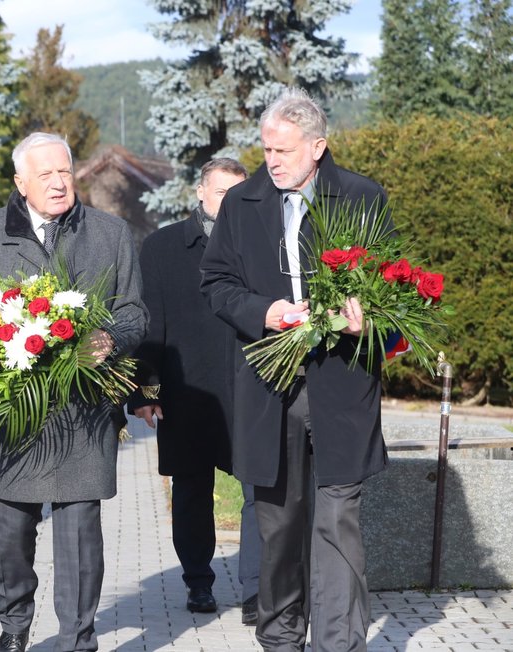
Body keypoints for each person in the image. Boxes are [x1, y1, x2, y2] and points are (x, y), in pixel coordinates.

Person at [199, 88, 390, 651]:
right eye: (266, 149)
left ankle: (339, 643)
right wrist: (265, 311)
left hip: (341, 385)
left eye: (283, 150)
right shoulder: (243, 203)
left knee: (337, 524)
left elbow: (391, 285)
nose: (272, 160)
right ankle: (281, 637)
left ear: (318, 146)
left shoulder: (361, 198)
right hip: (269, 385)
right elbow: (216, 284)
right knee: (278, 524)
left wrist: (365, 319)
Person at [0, 132, 147, 652]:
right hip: (14, 416)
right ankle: (14, 627)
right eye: (46, 175)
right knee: (10, 535)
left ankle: (78, 638)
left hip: (83, 414)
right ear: (20, 182)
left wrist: (111, 336)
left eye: (66, 171)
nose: (60, 183)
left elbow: (134, 313)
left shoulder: (110, 234)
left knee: (81, 537)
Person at [128, 157, 262, 624]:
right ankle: (199, 582)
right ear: (201, 193)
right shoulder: (164, 246)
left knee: (258, 490)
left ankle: (257, 591)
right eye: (224, 193)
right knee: (190, 489)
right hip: (188, 391)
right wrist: (145, 390)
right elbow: (150, 325)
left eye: (241, 194)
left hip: (252, 390)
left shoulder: (262, 244)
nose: (233, 204)